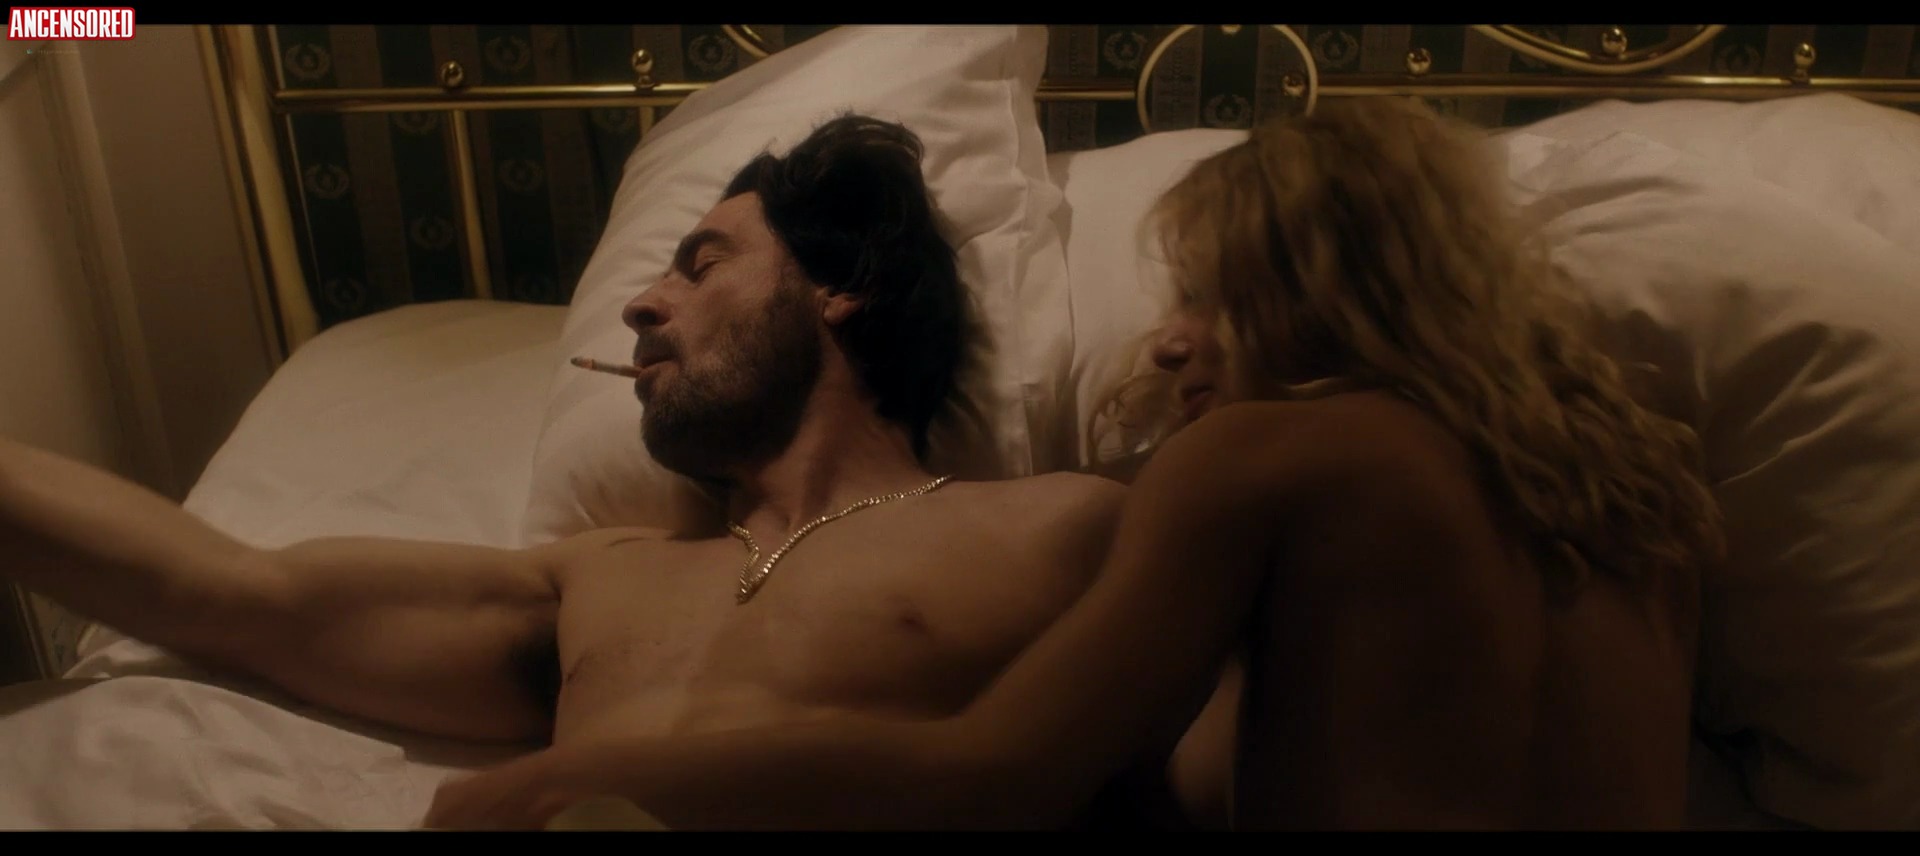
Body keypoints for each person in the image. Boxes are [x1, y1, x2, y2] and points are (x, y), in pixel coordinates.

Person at [422, 97, 1725, 831]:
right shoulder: (1636, 500)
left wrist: (562, 778)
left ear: (1312, 285)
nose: (1169, 340)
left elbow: (986, 772)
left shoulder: (1263, 455)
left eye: (1209, 293)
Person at [0, 114, 1125, 810]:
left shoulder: (1061, 529)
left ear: (843, 287)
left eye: (701, 265)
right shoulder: (599, 578)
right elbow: (227, 593)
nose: (640, 306)